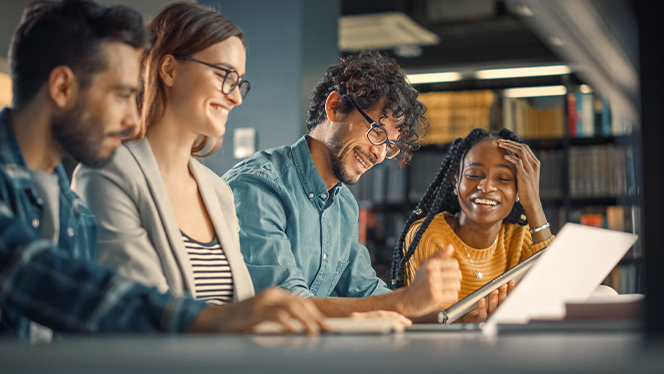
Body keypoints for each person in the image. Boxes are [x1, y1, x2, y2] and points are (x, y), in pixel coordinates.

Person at [0, 0, 326, 340]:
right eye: (121, 95)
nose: (130, 118)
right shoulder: (101, 179)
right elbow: (33, 272)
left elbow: (79, 323)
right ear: (63, 88)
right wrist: (208, 318)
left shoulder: (71, 209)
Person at [223, 51, 462, 319]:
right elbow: (288, 306)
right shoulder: (260, 186)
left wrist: (451, 316)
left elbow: (365, 291)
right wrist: (404, 301)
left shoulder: (344, 205)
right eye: (377, 132)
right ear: (335, 107)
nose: (380, 155)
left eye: (389, 146)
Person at [391, 128, 554, 322]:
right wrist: (465, 321)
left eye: (503, 179)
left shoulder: (521, 239)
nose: (486, 187)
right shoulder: (429, 235)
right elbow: (420, 319)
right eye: (474, 175)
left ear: (520, 189)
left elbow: (556, 294)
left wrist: (534, 202)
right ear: (455, 181)